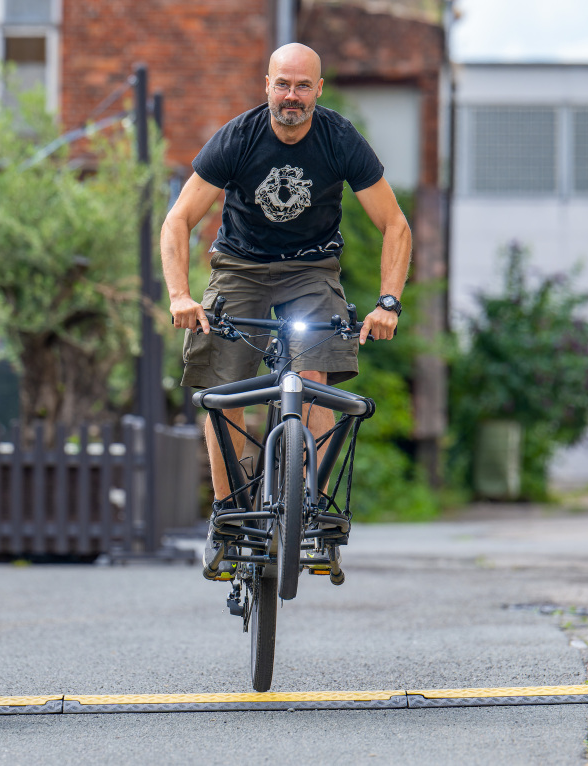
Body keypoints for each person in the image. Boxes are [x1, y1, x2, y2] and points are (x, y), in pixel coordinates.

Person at [160, 43, 411, 580]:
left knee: (316, 370)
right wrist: (181, 295)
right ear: (266, 85)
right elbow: (177, 220)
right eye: (283, 84)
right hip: (240, 267)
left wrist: (388, 302)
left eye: (302, 86)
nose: (291, 96)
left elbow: (396, 225)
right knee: (221, 383)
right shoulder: (238, 138)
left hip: (312, 270)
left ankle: (309, 506)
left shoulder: (340, 139)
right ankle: (229, 514)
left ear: (318, 90)